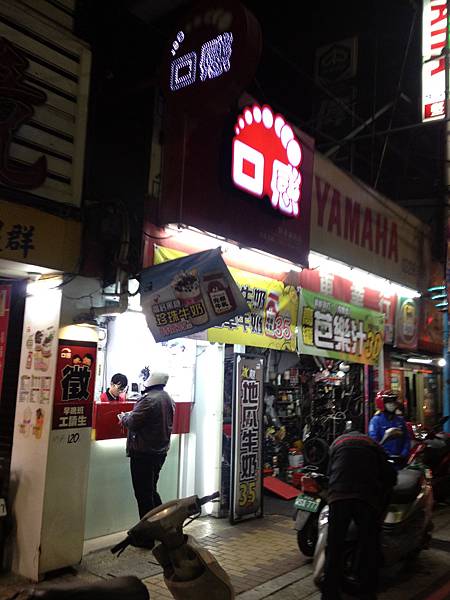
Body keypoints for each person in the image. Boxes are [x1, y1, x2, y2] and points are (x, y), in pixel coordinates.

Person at [321, 428, 397, 600]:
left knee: (334, 547)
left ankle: (329, 594)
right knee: (369, 545)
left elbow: (329, 473)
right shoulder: (373, 444)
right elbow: (390, 477)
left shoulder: (336, 444)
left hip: (338, 496)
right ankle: (367, 592)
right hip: (365, 498)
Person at [118, 371, 174, 519]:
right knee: (151, 491)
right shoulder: (168, 398)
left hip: (143, 453)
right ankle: (163, 523)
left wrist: (124, 417)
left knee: (143, 494)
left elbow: (132, 423)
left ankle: (148, 530)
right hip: (160, 452)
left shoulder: (148, 399)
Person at [368, 390, 411, 463]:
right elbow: (374, 441)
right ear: (382, 404)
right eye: (389, 402)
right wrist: (384, 455)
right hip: (384, 460)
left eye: (394, 401)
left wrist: (403, 454)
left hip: (400, 460)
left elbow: (406, 439)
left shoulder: (400, 420)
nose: (392, 404)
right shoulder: (376, 420)